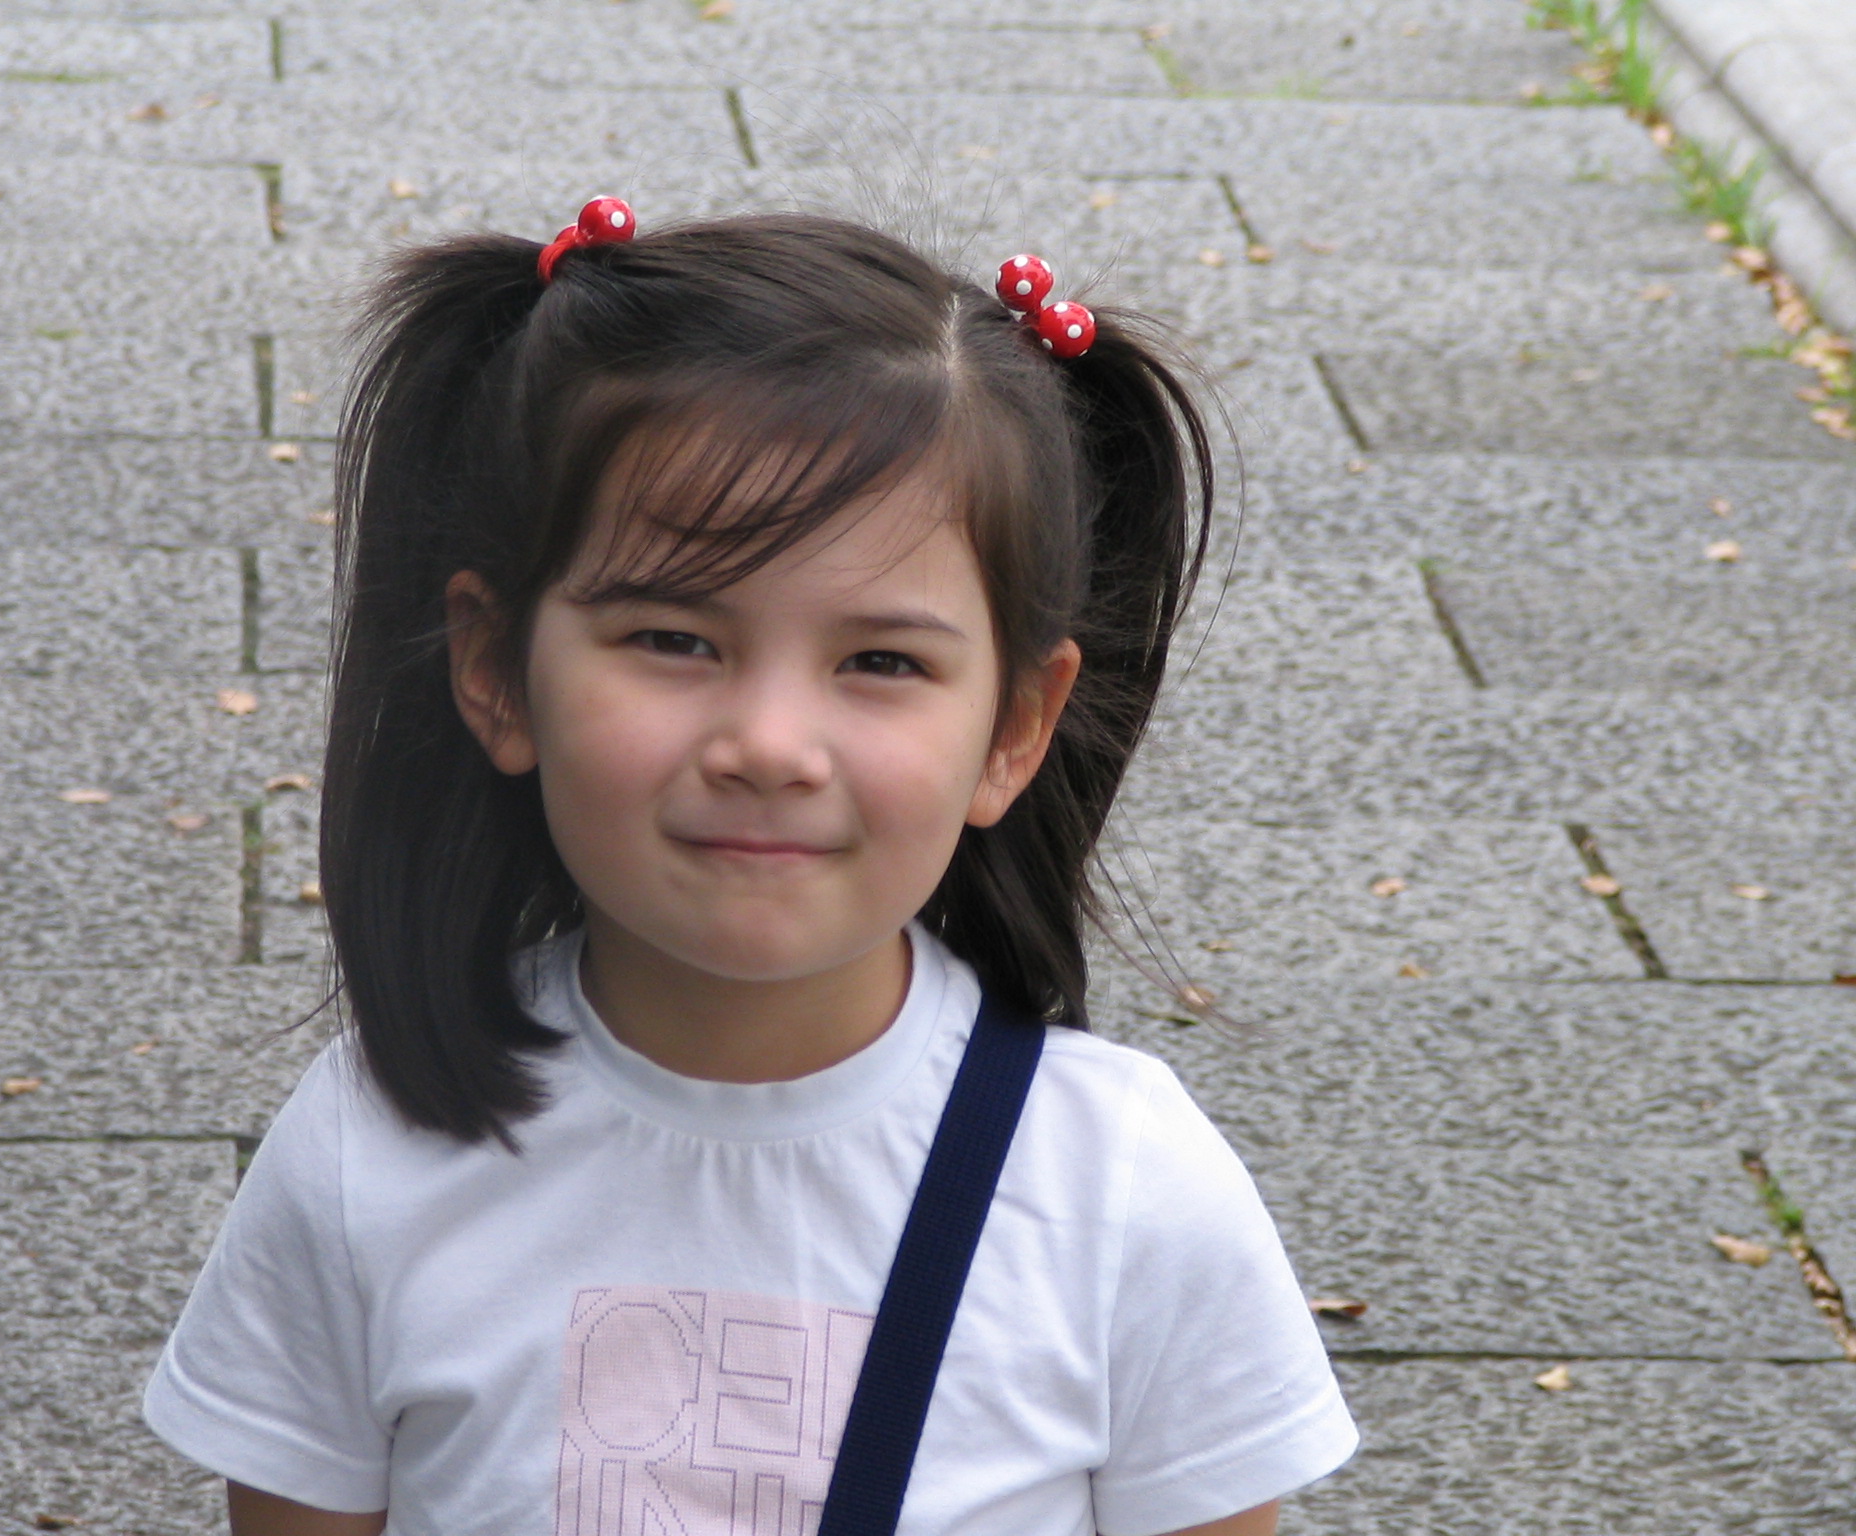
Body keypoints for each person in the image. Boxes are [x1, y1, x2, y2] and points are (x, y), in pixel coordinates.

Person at [141, 201, 1357, 1536]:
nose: (770, 745)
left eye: (881, 662)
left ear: (1015, 728)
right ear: (496, 670)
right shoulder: (367, 1150)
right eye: (673, 639)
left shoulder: (1127, 1192)